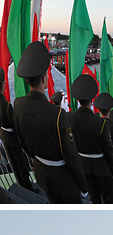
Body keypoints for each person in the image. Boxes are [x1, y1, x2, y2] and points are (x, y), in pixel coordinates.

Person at [14, 42, 90, 203]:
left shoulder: (18, 104)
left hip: (42, 173)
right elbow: (71, 156)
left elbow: (22, 141)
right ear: (44, 78)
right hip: (63, 179)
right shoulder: (57, 114)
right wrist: (83, 186)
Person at [69, 74, 113, 202]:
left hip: (83, 166)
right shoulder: (100, 123)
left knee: (94, 197)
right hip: (101, 168)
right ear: (92, 100)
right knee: (109, 199)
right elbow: (108, 150)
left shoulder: (69, 117)